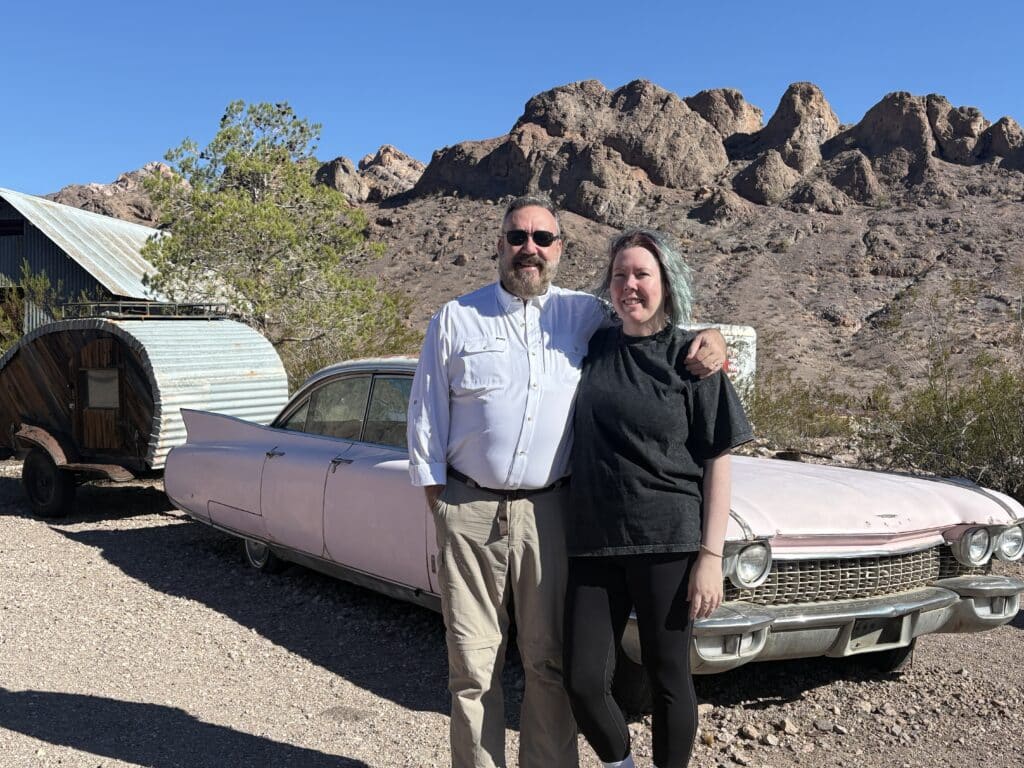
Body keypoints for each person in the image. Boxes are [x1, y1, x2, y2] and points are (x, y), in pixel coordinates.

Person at [406, 197, 728, 768]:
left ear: (559, 249)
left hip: (553, 513)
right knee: (473, 667)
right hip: (471, 509)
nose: (529, 248)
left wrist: (715, 338)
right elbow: (425, 423)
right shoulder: (456, 318)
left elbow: (655, 327)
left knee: (549, 665)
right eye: (517, 237)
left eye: (543, 239)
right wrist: (445, 510)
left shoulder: (585, 316)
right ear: (500, 244)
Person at [562, 228, 753, 768]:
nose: (630, 285)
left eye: (642, 274)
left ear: (666, 282)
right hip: (593, 541)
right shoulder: (594, 346)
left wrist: (710, 558)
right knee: (580, 678)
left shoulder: (694, 359)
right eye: (620, 274)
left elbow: (718, 461)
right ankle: (619, 762)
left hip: (667, 539)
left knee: (669, 677)